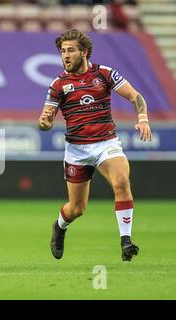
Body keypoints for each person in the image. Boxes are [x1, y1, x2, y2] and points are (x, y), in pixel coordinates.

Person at [38, 29, 152, 261]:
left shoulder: (105, 74)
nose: (65, 56)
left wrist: (142, 118)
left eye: (70, 50)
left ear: (84, 52)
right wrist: (45, 122)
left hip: (106, 144)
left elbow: (135, 96)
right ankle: (59, 227)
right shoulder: (58, 84)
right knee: (77, 208)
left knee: (121, 181)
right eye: (62, 51)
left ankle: (126, 241)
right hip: (77, 150)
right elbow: (45, 121)